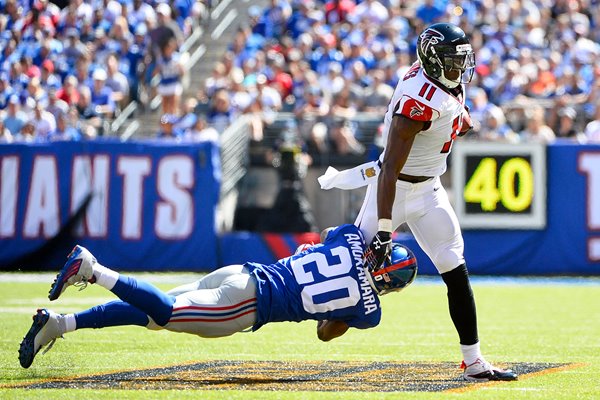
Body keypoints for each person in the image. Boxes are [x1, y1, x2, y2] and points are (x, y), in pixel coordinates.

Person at [318, 23, 517, 382]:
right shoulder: (417, 104)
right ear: (433, 60)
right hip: (392, 189)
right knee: (343, 305)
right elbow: (390, 169)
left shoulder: (442, 82)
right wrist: (383, 231)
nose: (462, 67)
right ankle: (331, 264)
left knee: (455, 267)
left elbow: (448, 107)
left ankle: (473, 361)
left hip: (430, 191)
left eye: (462, 59)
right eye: (454, 60)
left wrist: (459, 120)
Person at [19, 224, 417, 369]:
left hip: (242, 272)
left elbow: (327, 237)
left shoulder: (349, 237)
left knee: (152, 314)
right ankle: (93, 269)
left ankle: (59, 323)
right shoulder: (370, 310)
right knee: (167, 312)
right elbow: (325, 334)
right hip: (248, 305)